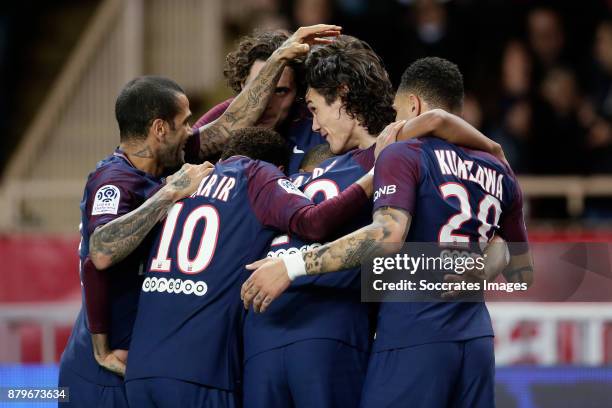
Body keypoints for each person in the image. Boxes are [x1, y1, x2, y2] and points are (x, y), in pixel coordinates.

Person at [242, 57, 534, 408]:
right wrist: (480, 269)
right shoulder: (499, 168)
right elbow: (521, 269)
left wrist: (292, 266)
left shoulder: (404, 152)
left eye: (396, 114)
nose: (392, 125)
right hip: (476, 339)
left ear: (414, 106)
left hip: (412, 331)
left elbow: (386, 237)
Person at [123, 127, 374, 408]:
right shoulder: (258, 176)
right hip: (205, 369)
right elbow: (315, 223)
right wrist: (373, 179)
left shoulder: (181, 185)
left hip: (140, 370)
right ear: (281, 172)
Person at [58, 76, 214, 407]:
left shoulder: (161, 166)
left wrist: (275, 63)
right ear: (160, 129)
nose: (190, 131)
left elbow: (226, 126)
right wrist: (171, 194)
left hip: (136, 360)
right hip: (101, 371)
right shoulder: (113, 181)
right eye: (184, 122)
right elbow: (100, 252)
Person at [188, 29, 327, 174]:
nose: (265, 103)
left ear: (298, 93)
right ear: (242, 85)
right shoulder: (220, 119)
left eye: (280, 91)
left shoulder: (319, 130)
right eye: (259, 89)